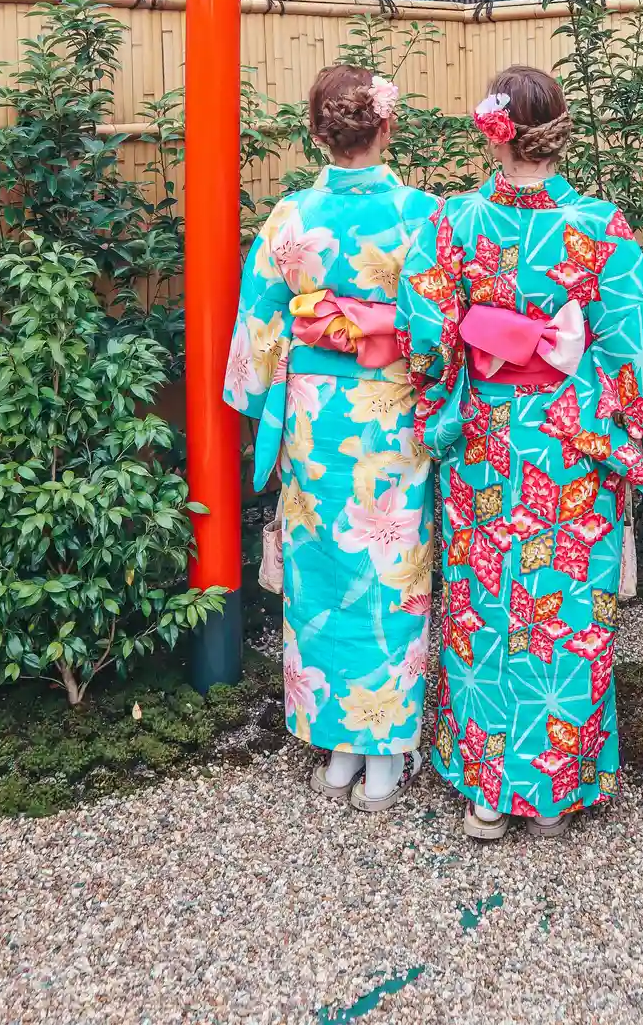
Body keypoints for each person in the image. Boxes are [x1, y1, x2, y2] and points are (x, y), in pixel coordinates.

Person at [397, 65, 643, 840]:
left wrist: (442, 398)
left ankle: (489, 793)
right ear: (558, 128)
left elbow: (427, 337)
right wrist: (634, 410)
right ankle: (557, 789)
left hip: (487, 441)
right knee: (564, 613)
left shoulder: (452, 221)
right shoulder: (599, 225)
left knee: (485, 607)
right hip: (570, 439)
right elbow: (638, 340)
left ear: (494, 133)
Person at [224, 64, 438, 811]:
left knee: (324, 573)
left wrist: (261, 400)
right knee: (391, 570)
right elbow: (439, 329)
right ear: (386, 125)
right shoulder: (423, 215)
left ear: (317, 131)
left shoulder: (290, 218)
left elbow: (262, 326)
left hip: (315, 417)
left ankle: (340, 749)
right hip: (393, 410)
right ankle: (384, 759)